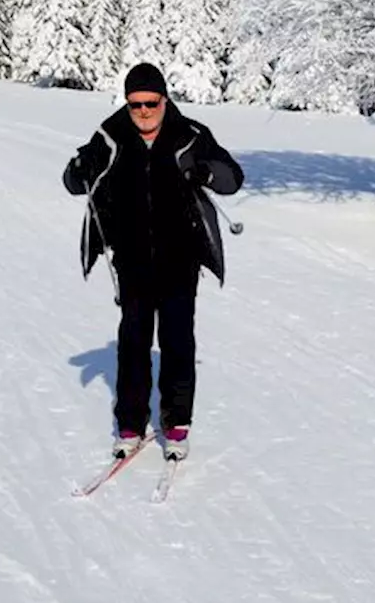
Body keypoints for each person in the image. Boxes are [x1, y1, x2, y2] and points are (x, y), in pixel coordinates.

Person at [62, 62, 244, 461]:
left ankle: (177, 424)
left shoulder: (190, 135)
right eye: (135, 104)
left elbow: (233, 177)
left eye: (150, 102)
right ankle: (130, 423)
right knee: (133, 341)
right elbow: (73, 181)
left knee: (178, 341)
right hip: (131, 259)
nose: (143, 111)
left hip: (180, 258)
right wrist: (79, 170)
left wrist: (206, 172)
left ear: (165, 99)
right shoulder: (111, 136)